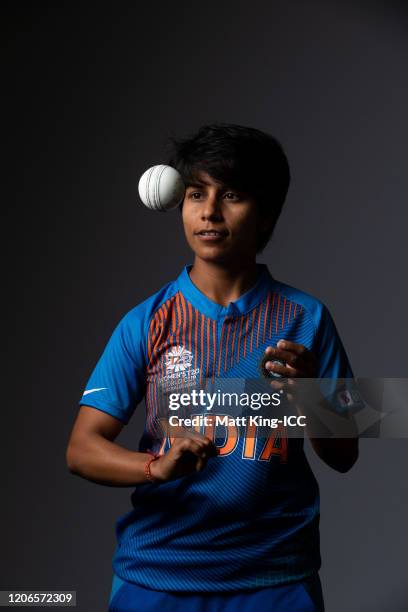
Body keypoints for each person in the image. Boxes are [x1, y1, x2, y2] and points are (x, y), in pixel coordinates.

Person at [66, 123, 359, 612]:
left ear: (265, 215)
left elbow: (347, 453)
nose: (209, 211)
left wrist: (310, 394)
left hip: (277, 578)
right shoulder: (145, 321)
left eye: (232, 195)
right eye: (196, 193)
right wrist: (155, 467)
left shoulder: (309, 317)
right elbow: (81, 450)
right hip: (157, 576)